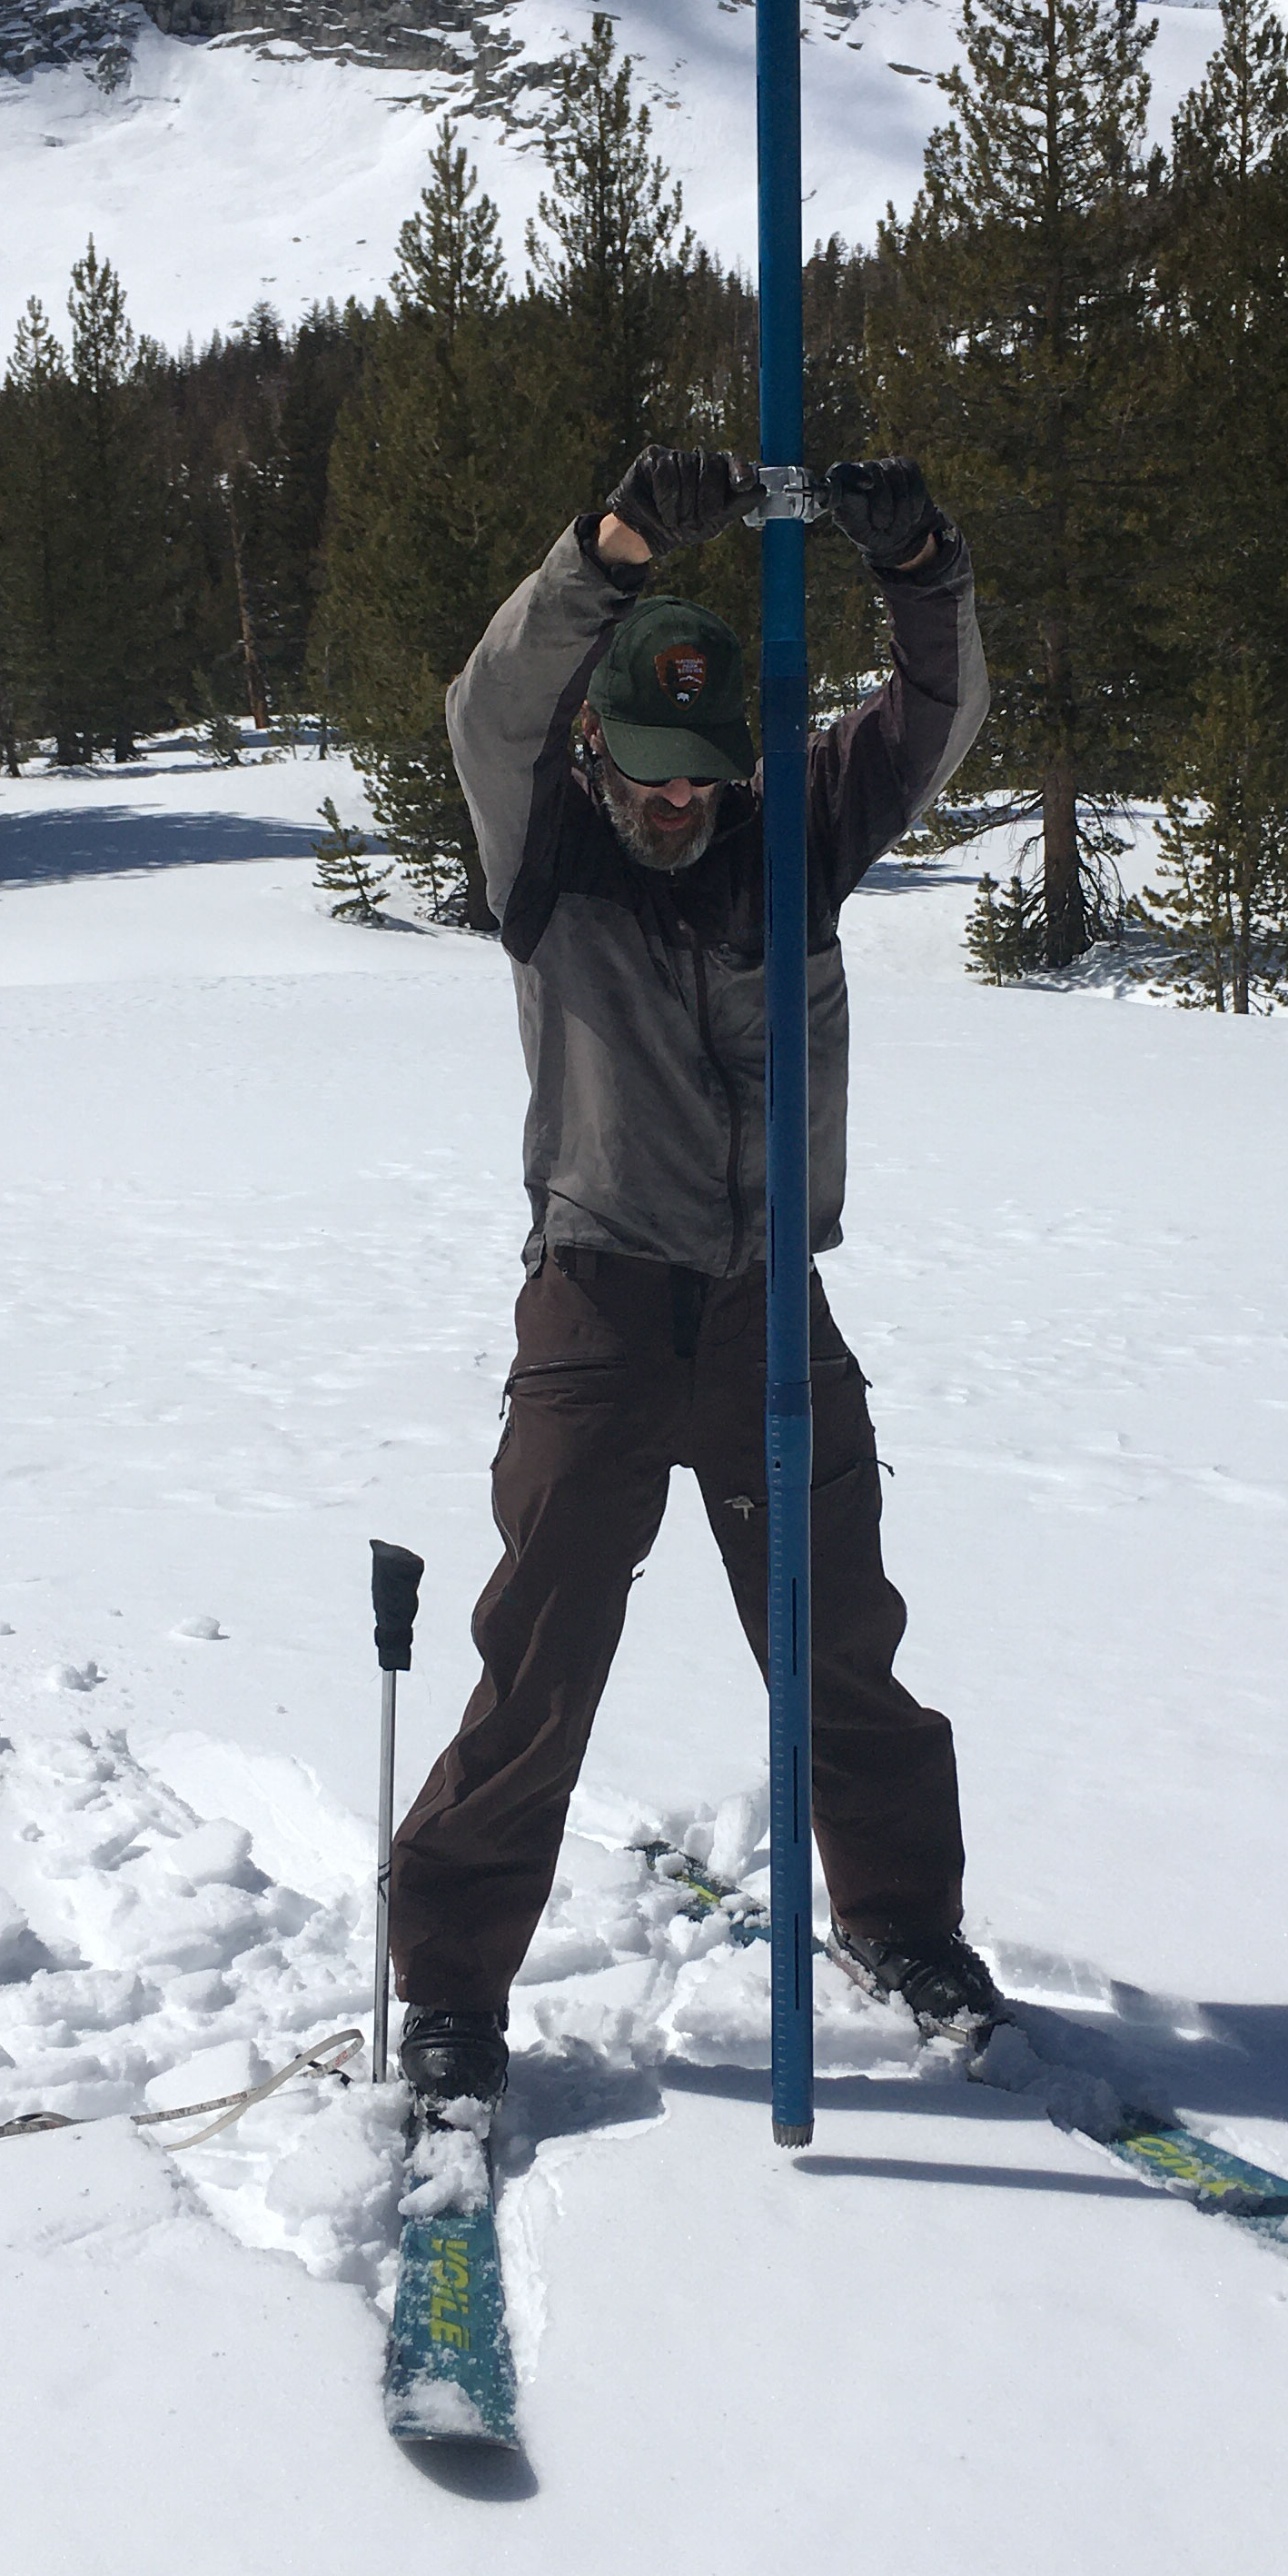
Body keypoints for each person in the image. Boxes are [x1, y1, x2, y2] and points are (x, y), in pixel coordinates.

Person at [380, 445, 1005, 2123]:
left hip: (765, 1312)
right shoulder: (547, 854)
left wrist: (924, 569)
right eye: (648, 777)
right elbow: (486, 700)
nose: (675, 807)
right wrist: (604, 550)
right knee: (541, 1658)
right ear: (598, 752)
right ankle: (449, 1984)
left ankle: (904, 1923)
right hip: (596, 1306)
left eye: (701, 781)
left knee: (840, 1643)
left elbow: (931, 719)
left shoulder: (788, 838)